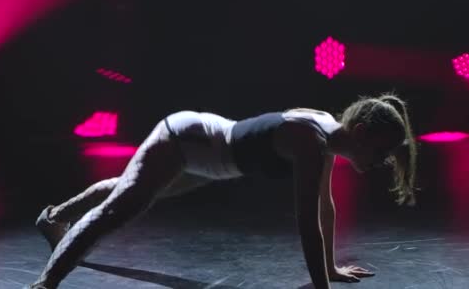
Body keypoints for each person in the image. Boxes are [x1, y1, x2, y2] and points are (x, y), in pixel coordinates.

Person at [26, 93, 417, 289]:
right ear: (363, 133)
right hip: (187, 140)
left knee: (134, 189)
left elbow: (324, 206)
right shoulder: (312, 141)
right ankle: (44, 284)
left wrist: (328, 271)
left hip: (214, 158)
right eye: (383, 151)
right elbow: (306, 223)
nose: (383, 161)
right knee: (121, 209)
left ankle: (54, 216)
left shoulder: (329, 132)